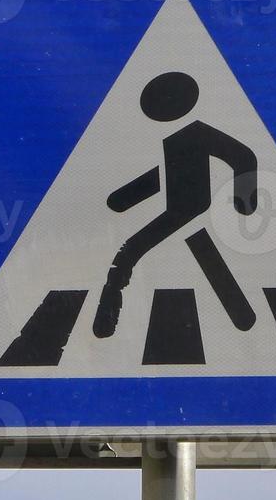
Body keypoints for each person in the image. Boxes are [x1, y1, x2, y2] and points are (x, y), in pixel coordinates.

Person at [93, 71, 259, 338]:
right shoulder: (175, 140)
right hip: (179, 211)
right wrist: (123, 199)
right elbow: (165, 176)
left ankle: (245, 321)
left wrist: (245, 202)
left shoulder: (198, 132)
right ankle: (106, 318)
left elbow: (243, 157)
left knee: (201, 259)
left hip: (193, 210)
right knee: (135, 254)